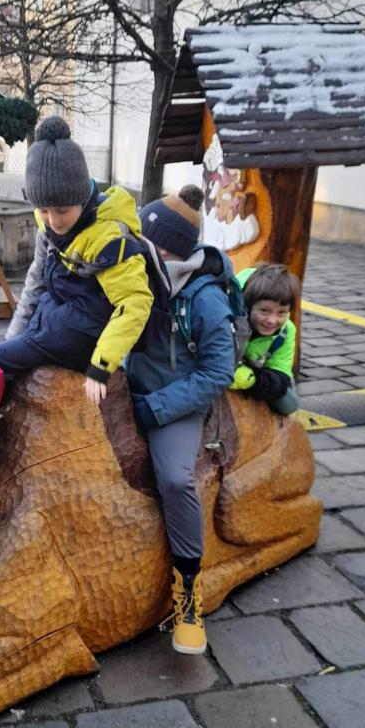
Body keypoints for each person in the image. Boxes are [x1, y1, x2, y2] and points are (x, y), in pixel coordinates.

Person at [126, 186, 236, 655]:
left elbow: (218, 371)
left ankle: (189, 592)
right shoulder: (138, 276)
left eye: (144, 240)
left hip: (173, 401)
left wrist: (158, 408)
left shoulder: (204, 299)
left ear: (167, 249)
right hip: (125, 386)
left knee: (174, 478)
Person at [0, 116, 154, 404]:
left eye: (62, 210)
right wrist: (14, 337)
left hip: (84, 334)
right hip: (55, 321)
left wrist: (101, 365)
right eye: (44, 210)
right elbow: (35, 282)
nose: (53, 220)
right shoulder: (48, 227)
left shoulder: (108, 236)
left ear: (81, 196)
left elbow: (135, 302)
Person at [232, 263, 299, 414]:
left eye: (281, 313)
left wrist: (251, 380)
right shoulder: (227, 315)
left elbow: (281, 375)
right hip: (220, 367)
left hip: (255, 373)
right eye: (264, 311)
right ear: (248, 306)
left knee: (289, 405)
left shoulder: (286, 331)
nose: (272, 320)